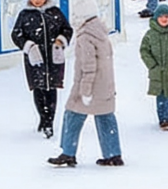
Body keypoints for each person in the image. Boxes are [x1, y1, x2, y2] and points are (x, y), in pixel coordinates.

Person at [47, 0, 122, 167]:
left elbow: (89, 66)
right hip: (105, 85)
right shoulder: (101, 33)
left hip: (90, 86)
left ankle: (68, 153)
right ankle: (113, 154)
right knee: (105, 116)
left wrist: (85, 90)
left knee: (72, 114)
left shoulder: (85, 36)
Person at [11, 0, 73, 139]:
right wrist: (28, 46)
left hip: (53, 59)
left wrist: (60, 41)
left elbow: (67, 29)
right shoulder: (25, 15)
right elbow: (16, 34)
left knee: (51, 88)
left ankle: (49, 121)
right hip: (35, 59)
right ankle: (43, 117)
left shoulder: (55, 13)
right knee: (38, 87)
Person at [138, 3, 168, 131]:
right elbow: (144, 51)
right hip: (156, 73)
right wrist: (152, 65)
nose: (164, 19)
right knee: (160, 96)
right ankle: (163, 119)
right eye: (161, 16)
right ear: (156, 18)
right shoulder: (150, 34)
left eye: (167, 16)